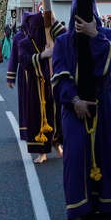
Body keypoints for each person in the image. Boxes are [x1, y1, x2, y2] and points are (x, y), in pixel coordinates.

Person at [51, 0, 111, 220]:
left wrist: (95, 35)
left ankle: (110, 204)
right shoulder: (63, 42)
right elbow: (59, 76)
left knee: (107, 151)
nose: (81, 21)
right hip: (74, 109)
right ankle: (76, 211)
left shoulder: (108, 36)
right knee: (75, 155)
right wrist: (74, 100)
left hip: (102, 106)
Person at [16, 13, 65, 163]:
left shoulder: (50, 39)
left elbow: (67, 36)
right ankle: (41, 152)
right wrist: (43, 55)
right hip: (35, 87)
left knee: (56, 116)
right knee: (37, 117)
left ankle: (57, 144)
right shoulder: (25, 43)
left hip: (52, 84)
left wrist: (55, 21)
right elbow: (24, 61)